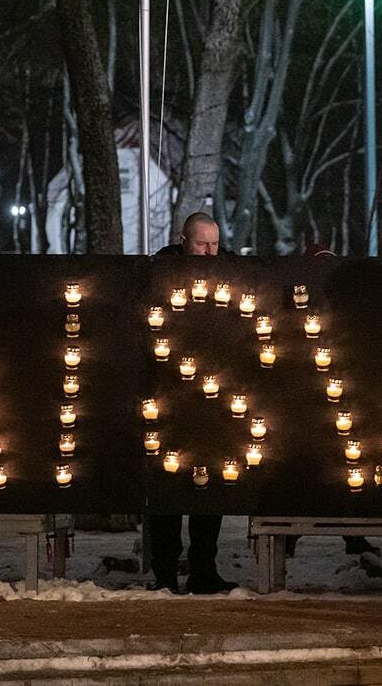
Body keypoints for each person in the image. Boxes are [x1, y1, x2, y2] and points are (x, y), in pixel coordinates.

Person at [146, 212, 234, 593]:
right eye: (203, 244)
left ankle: (203, 569)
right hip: (167, 395)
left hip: (211, 395)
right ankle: (164, 571)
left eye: (215, 244)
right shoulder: (159, 273)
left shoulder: (230, 274)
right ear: (183, 240)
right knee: (166, 490)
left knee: (208, 485)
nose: (211, 252)